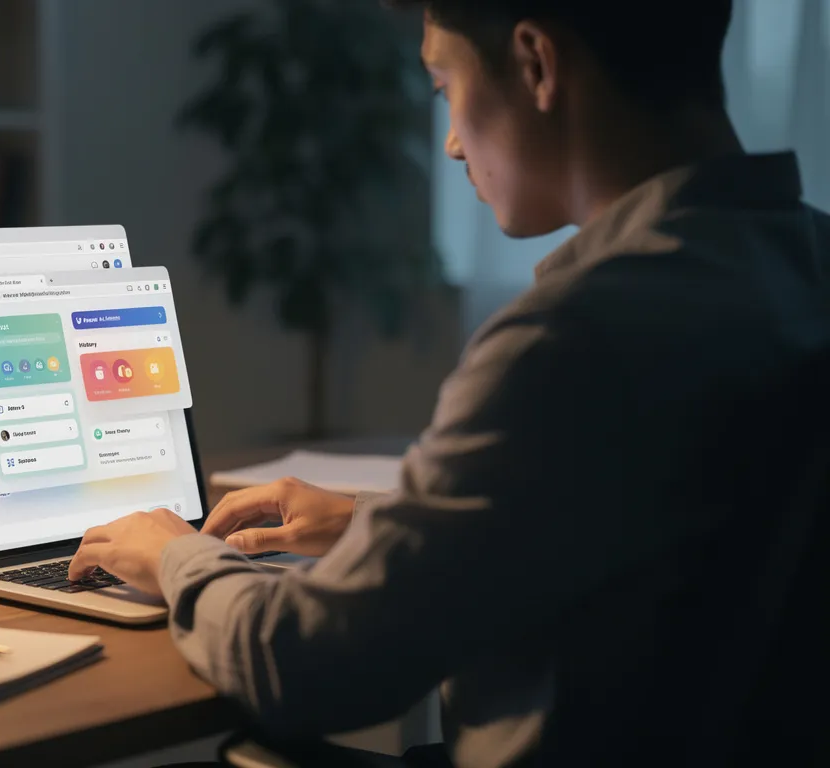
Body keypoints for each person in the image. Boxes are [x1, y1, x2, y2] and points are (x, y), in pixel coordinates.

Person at [69, 1, 830, 766]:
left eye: (444, 86)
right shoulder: (807, 261)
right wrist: (384, 525)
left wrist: (176, 557)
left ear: (536, 65)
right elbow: (641, 521)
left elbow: (306, 668)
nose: (455, 143)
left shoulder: (571, 340)